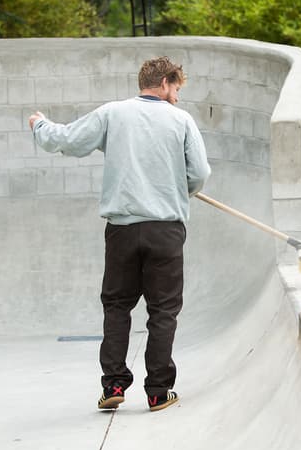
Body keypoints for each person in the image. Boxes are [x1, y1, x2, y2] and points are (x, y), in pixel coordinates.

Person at [28, 57, 211, 412]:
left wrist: (39, 125)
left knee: (116, 307)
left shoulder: (112, 114)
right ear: (164, 83)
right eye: (176, 89)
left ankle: (113, 384)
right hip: (165, 230)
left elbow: (67, 141)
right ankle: (158, 391)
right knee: (163, 312)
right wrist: (179, 189)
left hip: (123, 231)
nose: (176, 96)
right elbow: (200, 172)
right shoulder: (181, 120)